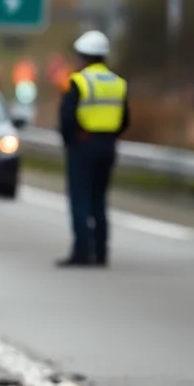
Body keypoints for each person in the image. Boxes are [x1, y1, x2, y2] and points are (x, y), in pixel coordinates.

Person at [57, 30, 130, 268]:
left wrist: (71, 141)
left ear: (83, 57)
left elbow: (67, 117)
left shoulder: (80, 81)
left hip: (83, 144)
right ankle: (100, 252)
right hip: (108, 145)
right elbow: (125, 119)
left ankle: (81, 251)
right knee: (99, 199)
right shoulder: (118, 83)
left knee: (80, 199)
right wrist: (109, 135)